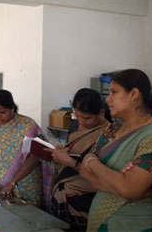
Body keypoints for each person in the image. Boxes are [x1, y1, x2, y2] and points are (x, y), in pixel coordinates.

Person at [79, 69, 152, 231]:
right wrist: (121, 183)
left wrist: (92, 162)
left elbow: (129, 188)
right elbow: (84, 173)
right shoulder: (111, 130)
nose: (108, 99)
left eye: (114, 92)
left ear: (134, 94)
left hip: (133, 224)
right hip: (100, 217)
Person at [47, 88, 111, 231]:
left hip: (83, 202)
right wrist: (61, 154)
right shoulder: (76, 127)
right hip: (62, 197)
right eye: (78, 116)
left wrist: (69, 161)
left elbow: (101, 174)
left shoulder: (109, 135)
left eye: (86, 118)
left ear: (101, 113)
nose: (81, 122)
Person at [0, 90, 44, 206]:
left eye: (3, 112)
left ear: (12, 108)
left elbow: (34, 157)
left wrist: (12, 183)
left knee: (29, 219)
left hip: (26, 184)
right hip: (1, 188)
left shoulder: (27, 125)